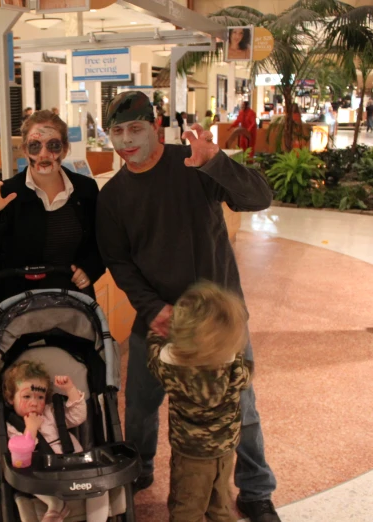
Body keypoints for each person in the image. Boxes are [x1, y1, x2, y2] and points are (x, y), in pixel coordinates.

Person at [95, 91, 280, 522]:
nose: (126, 140)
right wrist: (151, 308)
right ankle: (138, 471)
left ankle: (255, 488)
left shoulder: (193, 163)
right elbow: (118, 261)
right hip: (156, 318)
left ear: (155, 126)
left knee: (241, 405)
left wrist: (218, 161)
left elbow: (259, 198)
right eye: (117, 132)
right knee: (141, 405)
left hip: (218, 321)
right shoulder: (114, 195)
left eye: (136, 128)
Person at [0, 110, 104, 302]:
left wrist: (89, 269)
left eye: (53, 145)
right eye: (35, 146)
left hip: (73, 304)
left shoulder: (85, 189)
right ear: (25, 150)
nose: (44, 154)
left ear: (65, 149)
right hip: (18, 308)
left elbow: (99, 244)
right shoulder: (6, 193)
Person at [147, 281, 251, 522]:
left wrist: (157, 333)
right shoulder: (230, 362)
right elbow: (246, 375)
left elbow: (154, 353)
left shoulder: (170, 364)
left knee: (187, 505)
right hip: (225, 447)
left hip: (190, 451)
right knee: (220, 500)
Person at [4, 361, 110, 522]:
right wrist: (31, 429)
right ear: (11, 398)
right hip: (42, 474)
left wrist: (70, 390)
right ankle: (55, 506)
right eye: (26, 396)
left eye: (40, 397)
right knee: (28, 480)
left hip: (75, 464)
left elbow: (78, 416)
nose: (34, 402)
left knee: (101, 488)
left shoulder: (51, 412)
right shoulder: (13, 425)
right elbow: (21, 456)